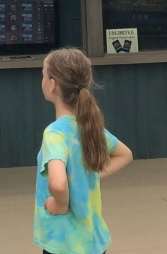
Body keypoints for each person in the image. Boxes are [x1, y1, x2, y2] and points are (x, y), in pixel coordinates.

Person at [35, 48, 133, 254]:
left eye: (43, 75)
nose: (42, 79)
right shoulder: (89, 126)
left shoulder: (55, 134)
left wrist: (60, 205)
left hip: (64, 245)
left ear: (52, 85)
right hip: (93, 241)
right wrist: (89, 173)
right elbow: (125, 154)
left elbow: (58, 184)